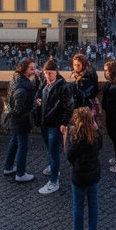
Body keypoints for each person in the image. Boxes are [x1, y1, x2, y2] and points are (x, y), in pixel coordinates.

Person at [65, 106, 102, 230]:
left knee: (78, 205)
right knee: (93, 203)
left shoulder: (76, 138)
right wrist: (97, 128)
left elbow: (69, 155)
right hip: (94, 174)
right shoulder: (95, 136)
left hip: (80, 176)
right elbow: (100, 146)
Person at [37, 57, 74, 194]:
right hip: (45, 122)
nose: (48, 76)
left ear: (56, 72)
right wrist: (38, 101)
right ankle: (54, 168)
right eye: (46, 73)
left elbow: (68, 107)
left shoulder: (63, 87)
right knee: (51, 149)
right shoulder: (45, 84)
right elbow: (38, 95)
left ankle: (54, 181)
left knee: (54, 152)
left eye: (50, 73)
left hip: (55, 123)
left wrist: (64, 123)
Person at [2, 58, 39, 183]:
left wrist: (37, 79)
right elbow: (20, 107)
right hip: (20, 121)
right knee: (23, 146)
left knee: (14, 142)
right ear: (24, 70)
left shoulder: (17, 79)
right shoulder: (22, 87)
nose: (34, 71)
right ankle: (20, 173)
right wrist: (34, 106)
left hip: (14, 120)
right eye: (31, 69)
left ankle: (8, 166)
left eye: (34, 68)